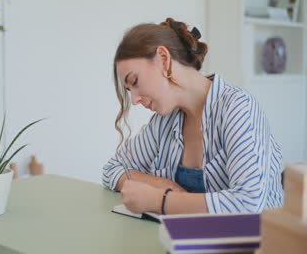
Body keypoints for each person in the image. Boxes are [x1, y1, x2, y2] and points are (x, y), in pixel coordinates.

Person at [102, 18, 284, 215]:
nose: (134, 99)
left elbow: (248, 203)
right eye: (128, 90)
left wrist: (160, 200)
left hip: (260, 242)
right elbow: (112, 169)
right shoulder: (165, 122)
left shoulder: (238, 108)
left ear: (163, 59)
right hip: (194, 241)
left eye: (135, 81)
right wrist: (161, 184)